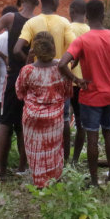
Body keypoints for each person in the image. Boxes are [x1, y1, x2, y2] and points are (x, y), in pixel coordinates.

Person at [60, 0, 110, 185]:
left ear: (87, 17)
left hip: (90, 95)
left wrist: (76, 80)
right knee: (108, 133)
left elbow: (61, 64)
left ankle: (94, 181)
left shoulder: (82, 40)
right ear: (104, 16)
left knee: (92, 136)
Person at [0, 0, 39, 182]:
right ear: (38, 2)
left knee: (5, 123)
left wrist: (4, 57)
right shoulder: (38, 22)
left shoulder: (10, 18)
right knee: (25, 125)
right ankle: (24, 168)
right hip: (32, 78)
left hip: (14, 78)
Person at [18, 32, 73, 188]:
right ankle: (53, 181)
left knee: (35, 151)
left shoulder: (27, 70)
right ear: (53, 47)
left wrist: (29, 59)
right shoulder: (62, 68)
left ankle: (39, 183)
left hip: (32, 117)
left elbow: (19, 92)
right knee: (54, 150)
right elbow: (68, 92)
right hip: (54, 117)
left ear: (34, 49)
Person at [13, 0, 74, 67]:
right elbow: (74, 46)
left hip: (38, 74)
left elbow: (17, 50)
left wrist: (30, 64)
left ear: (41, 1)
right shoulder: (64, 22)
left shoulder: (31, 22)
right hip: (59, 73)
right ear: (54, 1)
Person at [66, 0, 90, 163]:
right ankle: (75, 159)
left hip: (69, 80)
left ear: (72, 11)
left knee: (64, 120)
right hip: (85, 83)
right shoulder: (90, 30)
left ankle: (64, 158)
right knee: (82, 124)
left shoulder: (68, 28)